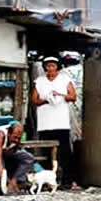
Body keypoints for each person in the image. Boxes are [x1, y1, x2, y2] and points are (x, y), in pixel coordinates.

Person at [31, 56, 77, 189]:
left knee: (65, 152)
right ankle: (46, 182)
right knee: (45, 152)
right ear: (45, 67)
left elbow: (73, 96)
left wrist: (60, 95)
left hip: (61, 122)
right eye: (48, 66)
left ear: (57, 67)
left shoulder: (64, 79)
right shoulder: (39, 81)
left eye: (53, 65)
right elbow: (34, 100)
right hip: (45, 123)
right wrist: (46, 100)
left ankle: (68, 180)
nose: (51, 68)